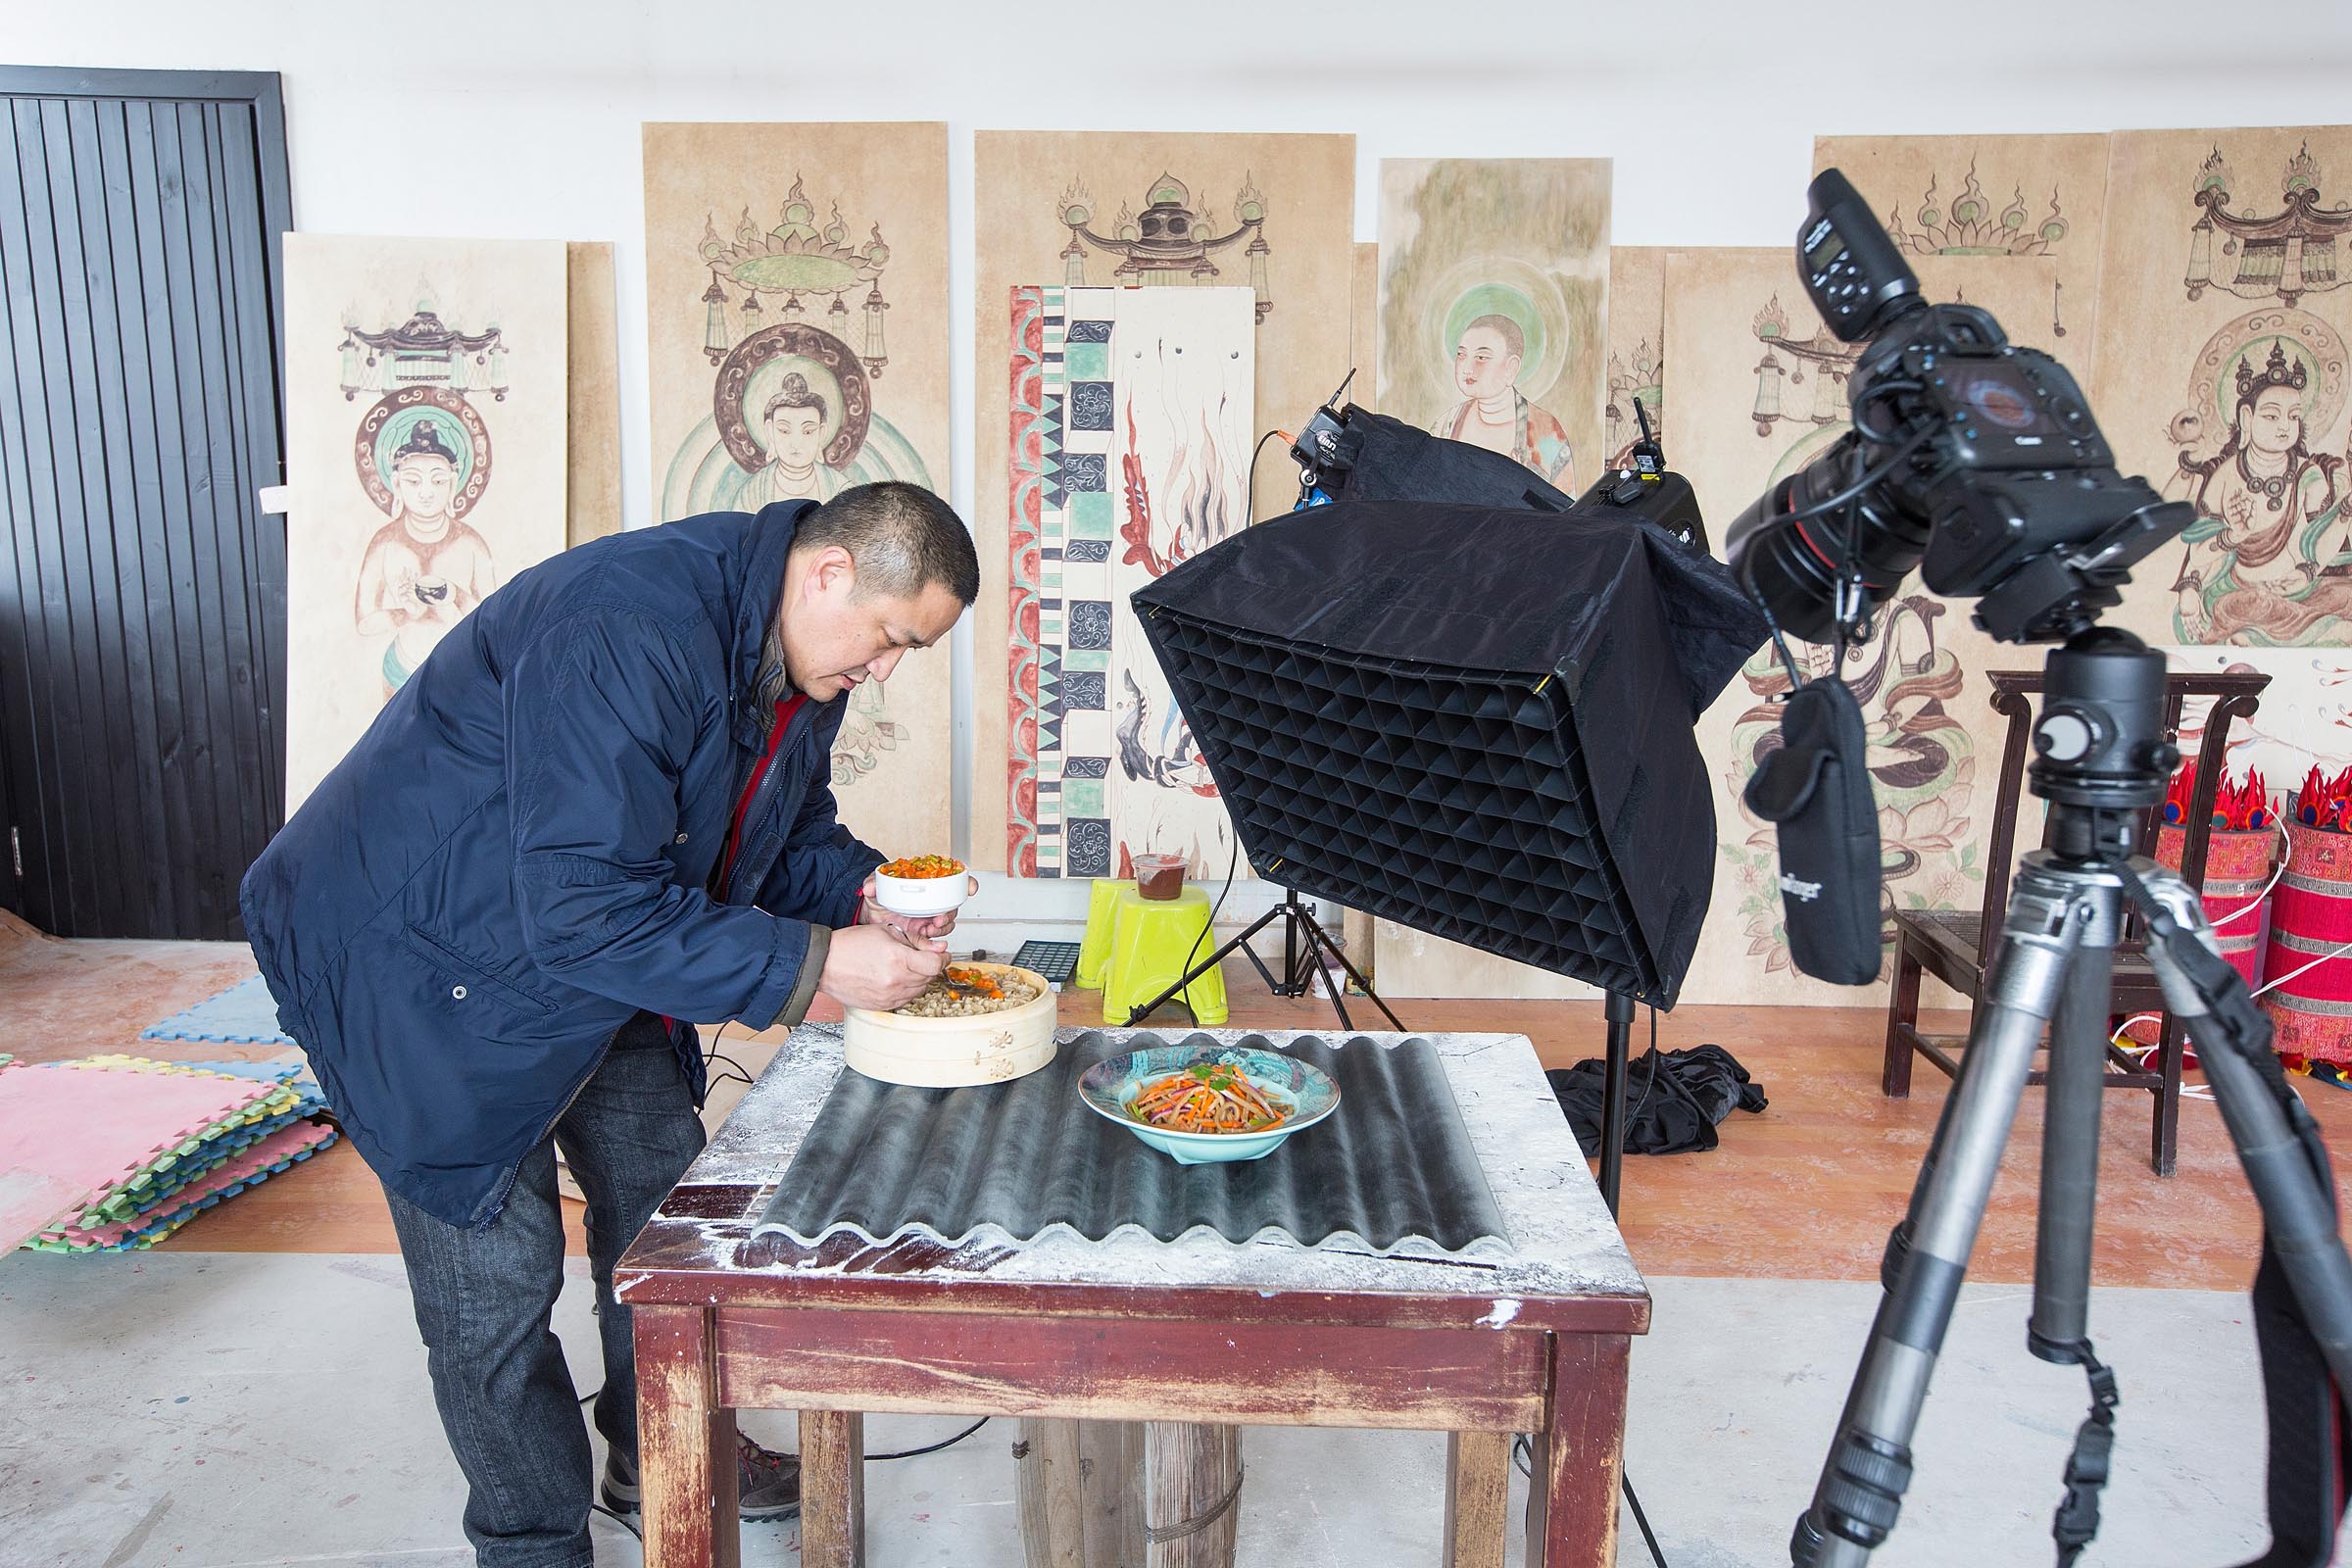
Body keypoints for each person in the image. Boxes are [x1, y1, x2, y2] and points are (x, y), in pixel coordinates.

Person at [242, 481, 979, 1567]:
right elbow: (585, 908)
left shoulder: (790, 650)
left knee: (665, 1213)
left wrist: (864, 896)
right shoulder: (625, 628)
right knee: (497, 1282)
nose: (884, 671)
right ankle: (532, 1538)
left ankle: (659, 1449)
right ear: (828, 575)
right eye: (889, 639)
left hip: (579, 938)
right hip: (414, 962)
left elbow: (778, 826)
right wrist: (821, 962)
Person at [353, 421, 500, 695]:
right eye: (413, 480)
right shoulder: (385, 543)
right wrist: (405, 613)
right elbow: (364, 621)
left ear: (454, 483)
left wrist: (455, 595)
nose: (426, 492)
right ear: (396, 483)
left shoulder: (471, 543)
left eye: (438, 480)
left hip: (461, 673)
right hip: (401, 670)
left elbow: (496, 621)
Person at [1430, 313, 1576, 491]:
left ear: (1511, 368)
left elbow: (1564, 507)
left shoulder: (1546, 431)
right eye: (1461, 355)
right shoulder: (1447, 424)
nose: (1467, 368)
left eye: (1481, 357)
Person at [743, 373, 846, 506]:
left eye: (808, 431)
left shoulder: (840, 488)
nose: (796, 443)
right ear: (770, 431)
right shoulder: (751, 492)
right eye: (784, 431)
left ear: (821, 433)